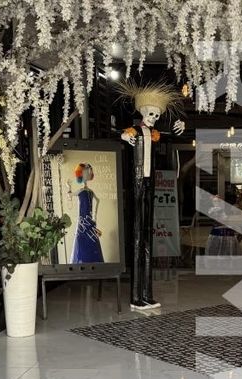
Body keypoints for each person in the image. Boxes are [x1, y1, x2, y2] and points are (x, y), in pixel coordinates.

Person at [119, 81, 185, 311]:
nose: (154, 118)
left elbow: (169, 134)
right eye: (151, 114)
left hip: (149, 184)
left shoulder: (155, 134)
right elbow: (123, 134)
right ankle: (136, 296)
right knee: (138, 237)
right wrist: (125, 137)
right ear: (142, 113)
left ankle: (147, 293)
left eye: (157, 115)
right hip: (137, 183)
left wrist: (179, 127)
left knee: (147, 236)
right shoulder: (135, 131)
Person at [70, 163, 104, 263]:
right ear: (81, 174)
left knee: (91, 242)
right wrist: (69, 187)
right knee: (84, 241)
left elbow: (98, 200)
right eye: (85, 172)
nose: (87, 173)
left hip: (87, 221)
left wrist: (95, 217)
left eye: (88, 172)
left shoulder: (89, 191)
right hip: (83, 221)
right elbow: (70, 195)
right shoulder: (81, 191)